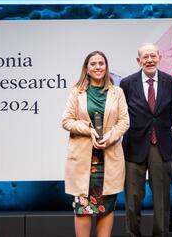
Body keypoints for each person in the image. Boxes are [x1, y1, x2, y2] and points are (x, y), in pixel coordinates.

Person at [62, 51, 130, 237]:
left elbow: (124, 121)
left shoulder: (118, 92)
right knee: (83, 209)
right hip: (83, 160)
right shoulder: (77, 92)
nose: (98, 67)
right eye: (93, 64)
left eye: (101, 63)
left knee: (105, 208)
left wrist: (110, 136)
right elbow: (66, 121)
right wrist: (89, 129)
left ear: (106, 67)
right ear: (87, 68)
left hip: (108, 159)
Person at [120, 43, 172, 237]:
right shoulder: (127, 83)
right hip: (134, 146)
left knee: (162, 198)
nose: (150, 60)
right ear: (139, 61)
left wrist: (156, 131)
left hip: (160, 146)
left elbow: (171, 114)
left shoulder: (170, 81)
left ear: (159, 57)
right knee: (133, 197)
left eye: (153, 56)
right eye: (145, 57)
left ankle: (160, 234)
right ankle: (132, 234)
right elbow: (124, 114)